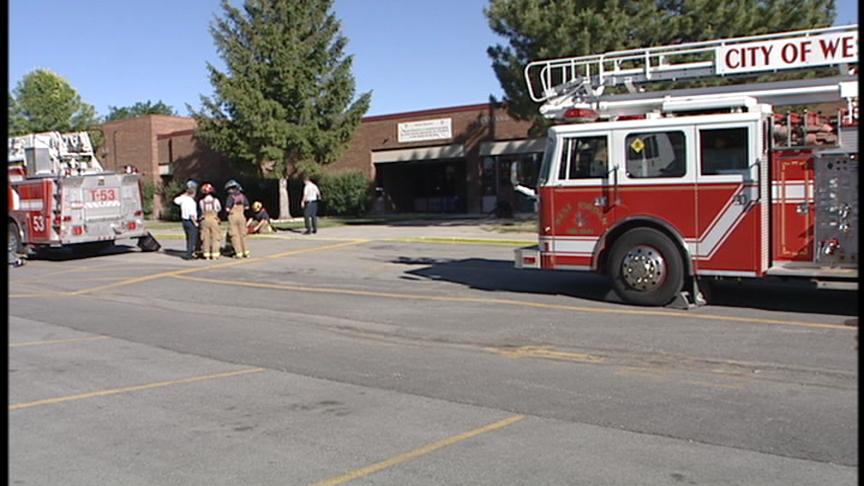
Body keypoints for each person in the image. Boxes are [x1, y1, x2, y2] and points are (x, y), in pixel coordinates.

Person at [224, 179, 251, 258]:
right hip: (242, 216)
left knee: (234, 235)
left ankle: (238, 252)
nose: (229, 190)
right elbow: (247, 207)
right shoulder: (243, 196)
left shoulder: (230, 197)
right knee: (243, 234)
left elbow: (227, 209)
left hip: (233, 216)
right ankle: (245, 252)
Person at [173, 180, 199, 260]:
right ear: (193, 193)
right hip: (190, 221)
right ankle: (190, 254)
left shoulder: (183, 199)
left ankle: (189, 252)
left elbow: (175, 200)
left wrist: (184, 194)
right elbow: (192, 214)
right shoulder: (191, 202)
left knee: (188, 238)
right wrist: (195, 223)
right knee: (192, 238)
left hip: (184, 221)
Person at [198, 183, 222, 259]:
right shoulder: (215, 201)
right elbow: (219, 209)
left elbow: (201, 210)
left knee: (205, 237)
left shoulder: (201, 201)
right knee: (215, 237)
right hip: (214, 219)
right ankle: (215, 254)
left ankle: (206, 254)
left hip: (204, 220)